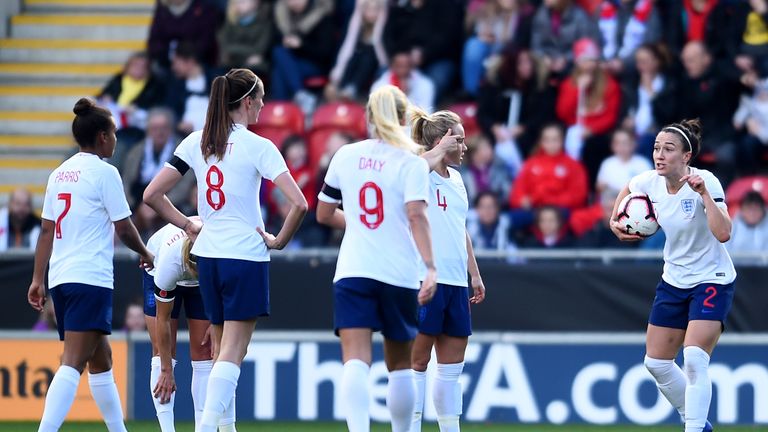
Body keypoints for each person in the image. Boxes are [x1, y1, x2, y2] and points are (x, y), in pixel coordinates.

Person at [143, 68, 308, 432]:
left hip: (207, 257)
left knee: (219, 350)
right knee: (233, 352)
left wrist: (188, 224)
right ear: (247, 101)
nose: (264, 105)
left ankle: (223, 427)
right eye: (261, 98)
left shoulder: (196, 142)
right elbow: (299, 204)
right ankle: (207, 427)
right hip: (245, 256)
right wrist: (279, 240)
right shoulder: (258, 146)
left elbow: (151, 195)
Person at [315, 85, 438, 432]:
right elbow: (416, 216)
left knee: (355, 359)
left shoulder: (345, 155)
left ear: (368, 116)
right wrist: (430, 267)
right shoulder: (411, 163)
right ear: (403, 118)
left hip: (354, 268)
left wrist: (354, 222)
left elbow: (324, 214)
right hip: (398, 272)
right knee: (399, 363)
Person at [27, 98, 154, 432]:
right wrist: (146, 253)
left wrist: (38, 279)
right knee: (73, 363)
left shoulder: (59, 174)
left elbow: (46, 230)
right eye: (113, 133)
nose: (115, 140)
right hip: (89, 278)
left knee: (102, 360)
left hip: (62, 277)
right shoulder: (105, 173)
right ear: (102, 137)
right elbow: (124, 227)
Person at [610, 119, 734, 432]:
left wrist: (704, 195)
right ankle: (696, 421)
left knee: (693, 358)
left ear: (686, 156)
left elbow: (724, 233)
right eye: (656, 148)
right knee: (656, 363)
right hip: (674, 279)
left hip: (712, 278)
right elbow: (626, 194)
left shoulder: (706, 181)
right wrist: (617, 223)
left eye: (668, 149)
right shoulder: (648, 182)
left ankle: (693, 428)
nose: (659, 155)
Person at [409, 109, 486, 432]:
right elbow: (413, 171)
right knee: (416, 362)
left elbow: (460, 228)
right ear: (444, 141)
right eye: (460, 140)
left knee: (452, 367)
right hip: (424, 279)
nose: (466, 147)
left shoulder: (457, 180)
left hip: (455, 282)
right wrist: (437, 150)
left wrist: (475, 273)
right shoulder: (417, 171)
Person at [143, 219, 239, 432]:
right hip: (159, 270)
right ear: (190, 263)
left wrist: (217, 324)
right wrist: (167, 370)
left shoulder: (223, 254)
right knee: (163, 351)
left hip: (205, 284)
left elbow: (228, 297)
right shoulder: (169, 263)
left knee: (206, 351)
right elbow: (163, 319)